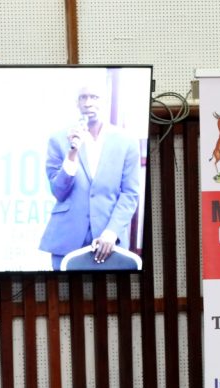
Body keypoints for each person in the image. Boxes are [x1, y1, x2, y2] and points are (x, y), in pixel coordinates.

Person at [41, 81, 141, 270]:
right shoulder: (59, 139)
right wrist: (72, 153)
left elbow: (130, 193)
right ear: (76, 104)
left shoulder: (126, 141)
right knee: (64, 296)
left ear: (104, 102)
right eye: (83, 98)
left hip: (109, 239)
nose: (88, 103)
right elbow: (58, 192)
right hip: (67, 238)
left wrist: (112, 232)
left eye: (94, 97)